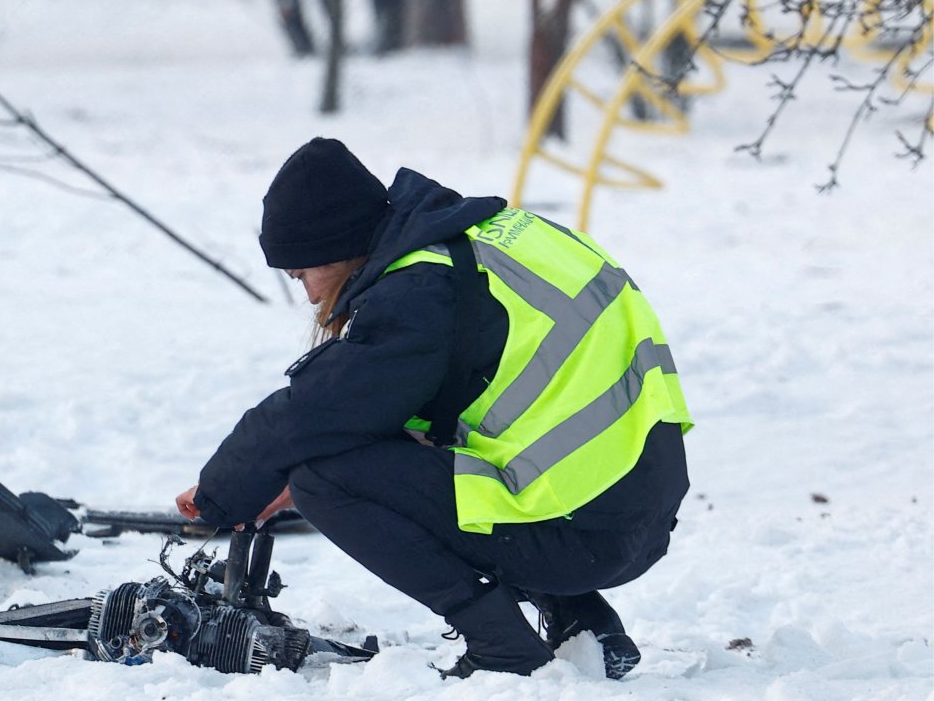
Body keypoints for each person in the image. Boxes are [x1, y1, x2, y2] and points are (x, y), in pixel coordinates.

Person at [176, 138, 692, 679]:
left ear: (337, 246)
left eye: (302, 275)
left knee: (321, 481)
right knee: (427, 437)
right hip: (635, 516)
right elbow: (434, 394)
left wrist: (222, 495)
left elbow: (312, 412)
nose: (308, 297)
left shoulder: (419, 291)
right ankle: (585, 623)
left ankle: (501, 646)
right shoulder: (488, 242)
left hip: (581, 533)